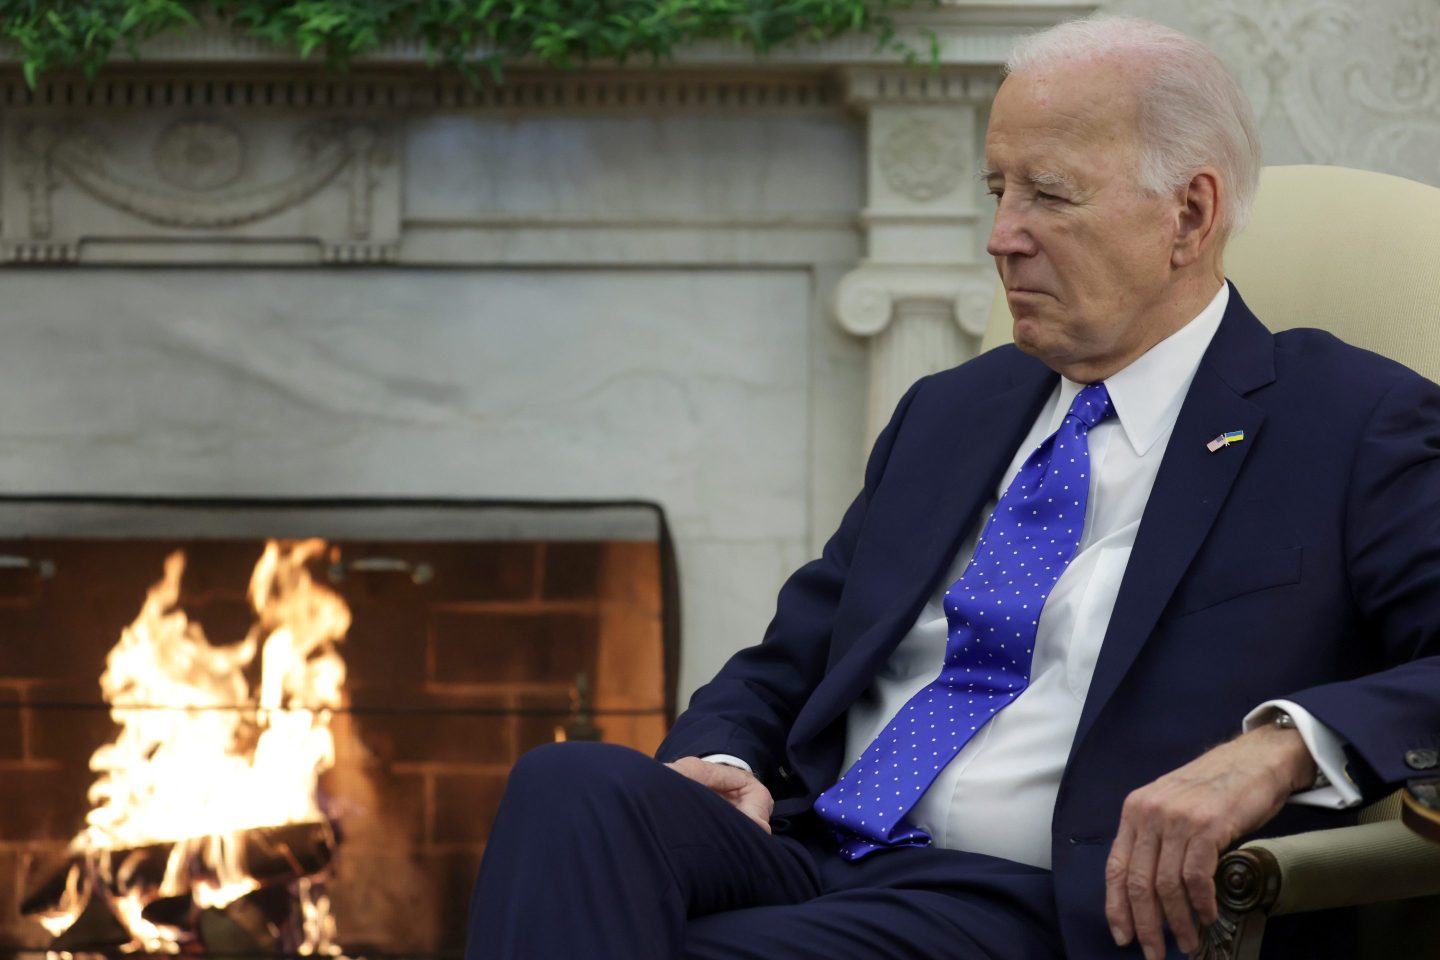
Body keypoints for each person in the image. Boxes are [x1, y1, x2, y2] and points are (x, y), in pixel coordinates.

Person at [466, 15, 1440, 960]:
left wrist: (1277, 749)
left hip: (1037, 894)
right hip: (822, 851)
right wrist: (725, 761)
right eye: (997, 189)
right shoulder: (952, 412)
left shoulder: (1350, 421)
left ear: (1189, 214)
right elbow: (789, 658)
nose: (1001, 236)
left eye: (1049, 196)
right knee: (568, 784)